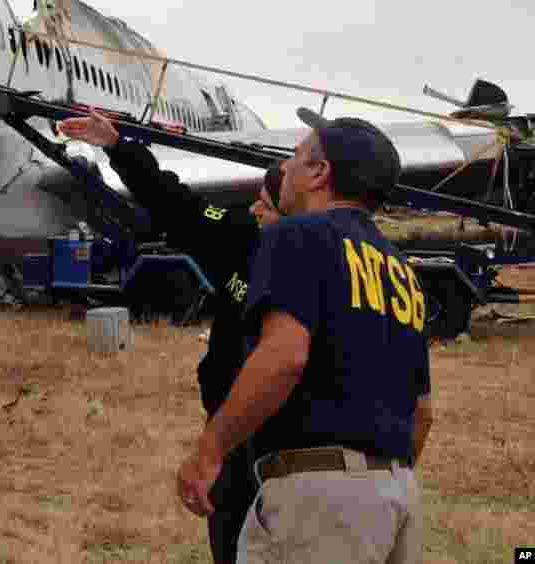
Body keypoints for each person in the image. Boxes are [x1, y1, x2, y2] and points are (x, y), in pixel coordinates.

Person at [177, 107, 435, 564]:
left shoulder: (297, 235)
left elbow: (284, 357)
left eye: (295, 157)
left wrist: (210, 449)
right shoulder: (400, 269)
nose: (287, 169)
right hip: (398, 495)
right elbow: (422, 412)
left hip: (319, 500)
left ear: (319, 172)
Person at [57, 108, 284, 564]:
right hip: (234, 436)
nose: (256, 208)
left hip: (288, 445)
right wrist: (118, 146)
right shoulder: (243, 237)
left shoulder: (318, 265)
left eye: (267, 203)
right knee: (231, 539)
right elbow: (176, 203)